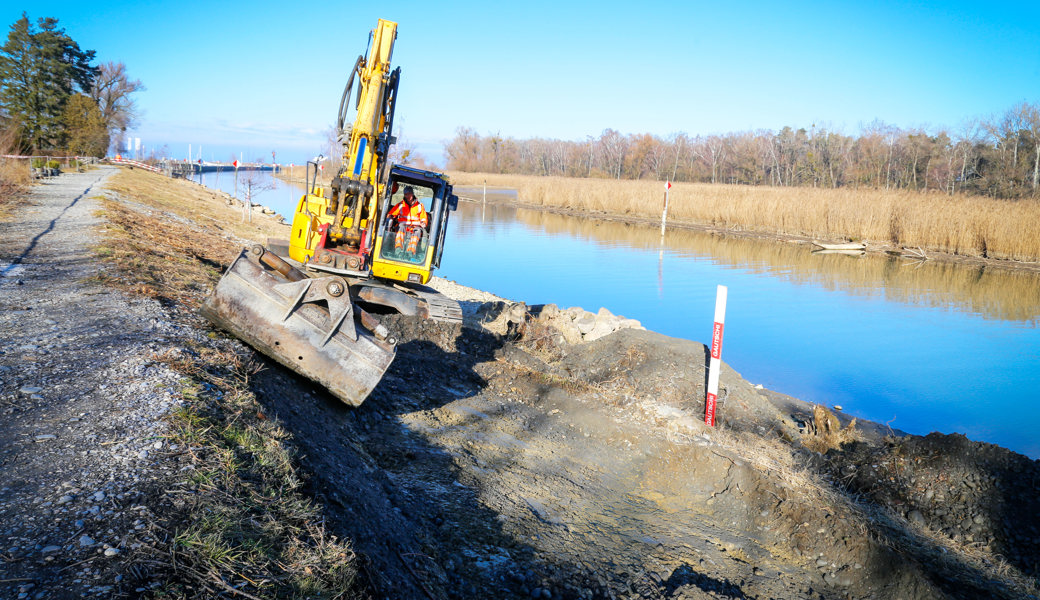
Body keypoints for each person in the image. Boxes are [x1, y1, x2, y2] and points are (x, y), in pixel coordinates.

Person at [387, 186, 428, 254]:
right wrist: (390, 217)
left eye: (409, 193)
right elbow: (391, 214)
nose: (408, 196)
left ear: (412, 194)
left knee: (418, 231)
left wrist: (423, 223)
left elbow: (423, 218)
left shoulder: (420, 206)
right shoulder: (400, 205)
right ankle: (398, 247)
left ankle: (411, 251)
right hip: (403, 226)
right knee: (401, 227)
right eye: (406, 194)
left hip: (415, 228)